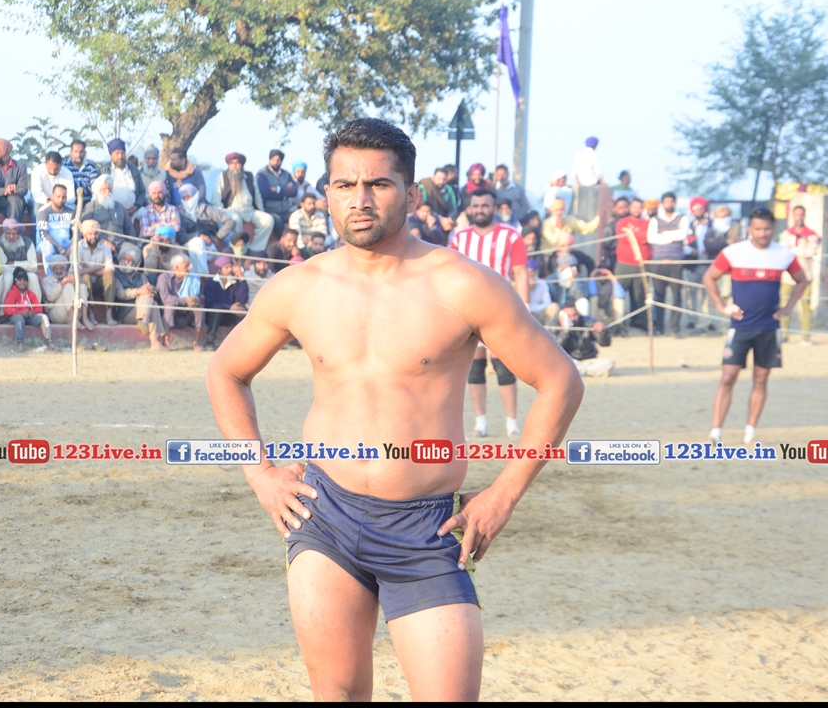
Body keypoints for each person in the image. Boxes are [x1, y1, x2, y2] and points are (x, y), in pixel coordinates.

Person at [207, 118, 583, 702]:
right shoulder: (299, 287)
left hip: (426, 530)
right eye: (344, 185)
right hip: (324, 517)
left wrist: (503, 496)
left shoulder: (463, 285)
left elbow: (560, 381)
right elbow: (226, 372)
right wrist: (259, 474)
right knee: (337, 695)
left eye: (378, 184)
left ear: (410, 192)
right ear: (326, 193)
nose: (360, 200)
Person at [702, 208, 808, 446]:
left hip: (769, 328)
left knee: (761, 379)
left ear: (774, 229)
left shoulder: (783, 254)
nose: (762, 233)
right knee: (728, 377)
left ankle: (750, 432)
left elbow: (802, 280)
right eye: (758, 229)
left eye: (767, 229)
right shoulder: (733, 252)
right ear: (750, 229)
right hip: (740, 326)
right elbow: (709, 277)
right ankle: (715, 433)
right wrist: (721, 306)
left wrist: (788, 307)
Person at [450, 188, 531, 440]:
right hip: (468, 311)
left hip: (501, 311)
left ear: (494, 208)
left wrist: (525, 307)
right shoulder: (459, 238)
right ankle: (481, 424)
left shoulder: (511, 235)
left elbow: (521, 272)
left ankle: (512, 425)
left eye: (485, 205)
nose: (480, 210)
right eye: (476, 206)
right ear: (470, 209)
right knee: (475, 369)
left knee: (504, 368)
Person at [646, 191, 689, 337]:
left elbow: (682, 235)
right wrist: (673, 236)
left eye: (671, 202)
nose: (669, 204)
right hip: (658, 263)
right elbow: (651, 238)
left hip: (676, 262)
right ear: (662, 204)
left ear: (674, 203)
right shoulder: (655, 220)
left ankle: (675, 328)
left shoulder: (683, 218)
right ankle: (659, 327)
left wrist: (663, 235)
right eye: (666, 202)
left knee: (677, 296)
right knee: (659, 296)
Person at [111, 243, 167, 350]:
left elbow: (149, 291)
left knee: (152, 301)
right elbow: (120, 294)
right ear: (120, 259)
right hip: (126, 312)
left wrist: (150, 290)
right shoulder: (116, 275)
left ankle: (146, 321)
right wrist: (138, 291)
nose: (126, 262)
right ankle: (154, 340)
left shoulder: (141, 276)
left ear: (134, 263)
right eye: (124, 259)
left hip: (142, 309)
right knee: (149, 301)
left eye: (129, 260)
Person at [214, 152, 274, 253]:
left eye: (237, 163)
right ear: (228, 165)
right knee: (235, 219)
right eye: (232, 163)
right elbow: (216, 199)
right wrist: (221, 213)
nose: (235, 166)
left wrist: (261, 210)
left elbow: (257, 196)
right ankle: (239, 248)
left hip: (249, 210)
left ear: (242, 165)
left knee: (268, 220)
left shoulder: (250, 176)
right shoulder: (222, 176)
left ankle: (255, 249)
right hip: (231, 210)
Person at [779, 204, 820, 343]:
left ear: (804, 216)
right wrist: (801, 251)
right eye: (797, 214)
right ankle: (784, 334)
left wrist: (793, 249)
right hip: (787, 276)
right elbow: (783, 251)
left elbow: (812, 251)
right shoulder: (786, 234)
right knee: (784, 304)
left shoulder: (811, 234)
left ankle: (806, 336)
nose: (799, 217)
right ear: (793, 216)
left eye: (801, 214)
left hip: (806, 275)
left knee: (806, 306)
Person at [177, 182, 235, 273]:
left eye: (189, 196)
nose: (187, 200)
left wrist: (217, 237)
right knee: (197, 242)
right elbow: (182, 236)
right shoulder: (180, 214)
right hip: (190, 246)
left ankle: (198, 278)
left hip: (209, 247)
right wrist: (199, 235)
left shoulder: (207, 209)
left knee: (197, 249)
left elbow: (230, 221)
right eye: (184, 198)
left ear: (195, 196)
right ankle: (204, 275)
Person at [613, 198, 651, 331]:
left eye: (640, 207)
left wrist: (633, 234)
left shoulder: (647, 223)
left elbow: (648, 236)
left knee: (640, 295)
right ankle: (618, 324)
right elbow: (623, 238)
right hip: (623, 263)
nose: (637, 210)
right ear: (630, 208)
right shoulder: (622, 222)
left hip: (642, 264)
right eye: (634, 207)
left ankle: (640, 322)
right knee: (619, 294)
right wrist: (640, 236)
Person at [156, 252, 204, 350]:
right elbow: (166, 298)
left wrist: (194, 300)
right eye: (186, 266)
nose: (190, 268)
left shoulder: (193, 279)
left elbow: (199, 295)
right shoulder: (164, 278)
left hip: (186, 310)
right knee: (169, 306)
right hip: (170, 311)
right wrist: (185, 300)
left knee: (199, 307)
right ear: (176, 267)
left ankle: (196, 342)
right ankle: (166, 340)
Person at [557, 299, 615, 377]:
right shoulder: (555, 324)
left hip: (588, 360)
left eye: (574, 315)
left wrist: (601, 332)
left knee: (610, 362)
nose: (572, 318)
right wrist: (564, 331)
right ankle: (587, 371)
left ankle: (578, 371)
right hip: (570, 360)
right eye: (569, 316)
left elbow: (605, 343)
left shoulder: (588, 321)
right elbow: (556, 348)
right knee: (560, 364)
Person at [201, 254, 248, 350]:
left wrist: (242, 280)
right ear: (220, 270)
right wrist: (229, 308)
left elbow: (242, 299)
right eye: (226, 267)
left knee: (242, 308)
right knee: (216, 309)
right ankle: (210, 341)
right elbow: (210, 302)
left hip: (230, 315)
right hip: (214, 316)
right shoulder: (211, 282)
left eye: (231, 266)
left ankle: (244, 342)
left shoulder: (235, 282)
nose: (230, 269)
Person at [3, 266, 55, 353]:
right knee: (19, 319)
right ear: (15, 281)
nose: (22, 282)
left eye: (25, 280)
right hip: (16, 316)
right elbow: (7, 309)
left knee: (44, 317)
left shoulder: (30, 294)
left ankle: (50, 342)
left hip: (30, 316)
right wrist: (21, 312)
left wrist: (31, 312)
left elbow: (39, 308)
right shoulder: (12, 293)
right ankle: (20, 344)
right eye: (19, 280)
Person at [80, 174, 134, 251]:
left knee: (134, 252)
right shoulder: (90, 207)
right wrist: (103, 242)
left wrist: (132, 246)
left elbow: (130, 230)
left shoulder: (120, 207)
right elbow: (84, 231)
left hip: (120, 244)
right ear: (98, 191)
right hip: (98, 244)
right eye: (104, 189)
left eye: (109, 189)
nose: (107, 191)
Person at [77, 218, 116, 325]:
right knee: (86, 277)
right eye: (90, 234)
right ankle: (90, 313)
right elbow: (77, 271)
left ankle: (109, 315)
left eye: (96, 233)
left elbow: (110, 271)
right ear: (84, 235)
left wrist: (88, 269)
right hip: (84, 283)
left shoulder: (105, 248)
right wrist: (97, 267)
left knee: (110, 278)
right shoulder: (78, 247)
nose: (93, 236)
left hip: (99, 282)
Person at [683, 196, 714, 332]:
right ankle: (692, 320)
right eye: (695, 208)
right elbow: (682, 244)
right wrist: (691, 250)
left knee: (709, 295)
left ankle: (709, 320)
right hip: (693, 265)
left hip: (709, 265)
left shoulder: (712, 225)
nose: (698, 211)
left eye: (700, 208)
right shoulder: (688, 225)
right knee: (691, 294)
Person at [41, 253, 93, 330]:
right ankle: (74, 320)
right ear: (52, 269)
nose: (59, 271)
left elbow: (82, 292)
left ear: (64, 269)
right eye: (56, 269)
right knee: (67, 285)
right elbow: (50, 298)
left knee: (81, 285)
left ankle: (85, 318)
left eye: (61, 268)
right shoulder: (46, 281)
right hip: (57, 314)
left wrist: (80, 281)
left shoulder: (69, 278)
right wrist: (63, 283)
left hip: (75, 311)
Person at [0, 217, 41, 301]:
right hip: (7, 273)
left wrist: (14, 263)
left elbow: (34, 266)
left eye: (15, 234)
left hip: (24, 272)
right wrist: (23, 267)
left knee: (33, 277)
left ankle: (36, 307)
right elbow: (2, 266)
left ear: (20, 234)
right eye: (8, 233)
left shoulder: (28, 242)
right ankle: (3, 308)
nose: (11, 236)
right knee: (8, 278)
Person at [0, 138, 30, 222]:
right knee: (14, 206)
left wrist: (14, 190)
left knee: (14, 198)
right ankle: (13, 227)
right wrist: (6, 191)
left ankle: (11, 227)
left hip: (16, 200)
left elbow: (23, 189)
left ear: (2, 153)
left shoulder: (21, 167)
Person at [100, 137, 146, 212]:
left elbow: (141, 191)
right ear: (111, 155)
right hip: (112, 212)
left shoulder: (133, 169)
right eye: (117, 153)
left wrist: (136, 206)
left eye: (122, 153)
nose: (120, 156)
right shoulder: (104, 171)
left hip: (133, 211)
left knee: (145, 212)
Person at [257, 148, 298, 229]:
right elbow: (265, 193)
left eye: (278, 160)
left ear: (281, 161)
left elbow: (294, 191)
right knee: (278, 221)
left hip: (286, 210)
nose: (276, 162)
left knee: (296, 218)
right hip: (270, 210)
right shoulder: (262, 174)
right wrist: (285, 193)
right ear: (269, 159)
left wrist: (278, 189)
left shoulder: (286, 174)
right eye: (273, 159)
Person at [37, 183, 76, 261]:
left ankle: (74, 269)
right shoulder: (43, 211)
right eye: (58, 197)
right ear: (52, 196)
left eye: (63, 197)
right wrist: (59, 248)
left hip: (66, 243)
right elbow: (44, 234)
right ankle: (49, 269)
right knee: (47, 247)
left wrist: (72, 247)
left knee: (78, 245)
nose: (61, 200)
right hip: (48, 242)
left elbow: (76, 232)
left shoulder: (72, 211)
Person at [63, 139, 101, 203]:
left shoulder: (90, 166)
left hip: (88, 204)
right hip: (70, 204)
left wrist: (74, 184)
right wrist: (86, 184)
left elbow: (95, 186)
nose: (78, 155)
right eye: (76, 152)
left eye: (81, 152)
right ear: (71, 152)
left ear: (84, 152)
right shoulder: (64, 166)